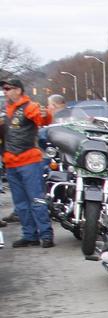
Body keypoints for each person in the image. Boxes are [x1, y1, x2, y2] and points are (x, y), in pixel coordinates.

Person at [1, 79, 54, 247]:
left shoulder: (29, 106)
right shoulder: (5, 110)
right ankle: (29, 235)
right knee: (21, 203)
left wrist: (46, 114)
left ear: (18, 90)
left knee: (36, 199)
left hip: (29, 161)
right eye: (4, 88)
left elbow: (43, 119)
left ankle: (46, 235)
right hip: (11, 164)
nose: (5, 91)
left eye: (8, 88)